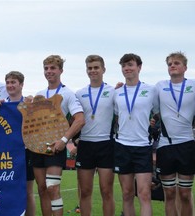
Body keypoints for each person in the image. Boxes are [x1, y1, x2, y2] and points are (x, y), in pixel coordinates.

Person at [32, 55, 85, 216]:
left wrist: (64, 140)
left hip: (56, 146)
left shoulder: (67, 93)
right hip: (38, 147)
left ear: (61, 70)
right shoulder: (39, 94)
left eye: (53, 68)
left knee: (52, 188)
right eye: (46, 68)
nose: (49, 71)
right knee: (42, 189)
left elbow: (80, 119)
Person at [113, 53, 159, 216]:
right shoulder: (117, 92)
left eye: (130, 65)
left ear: (139, 67)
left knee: (144, 194)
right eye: (124, 66)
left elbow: (158, 112)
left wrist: (152, 122)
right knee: (126, 194)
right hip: (122, 146)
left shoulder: (151, 90)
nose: (127, 68)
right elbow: (118, 116)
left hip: (142, 147)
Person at [155, 52, 195, 216]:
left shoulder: (193, 85)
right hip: (166, 145)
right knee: (169, 193)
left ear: (185, 68)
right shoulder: (159, 86)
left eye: (176, 63)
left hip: (187, 144)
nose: (172, 65)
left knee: (185, 194)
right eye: (170, 63)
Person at [75, 55, 115, 216]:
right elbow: (72, 119)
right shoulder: (79, 93)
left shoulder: (113, 91)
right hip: (86, 144)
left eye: (96, 67)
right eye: (90, 68)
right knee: (85, 191)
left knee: (106, 191)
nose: (93, 71)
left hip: (106, 144)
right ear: (86, 70)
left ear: (103, 69)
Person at [3, 71, 36, 216]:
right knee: (8, 189)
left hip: (26, 150)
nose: (10, 86)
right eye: (8, 83)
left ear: (21, 84)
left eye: (13, 82)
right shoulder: (1, 105)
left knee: (28, 191)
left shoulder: (29, 103)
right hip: (7, 153)